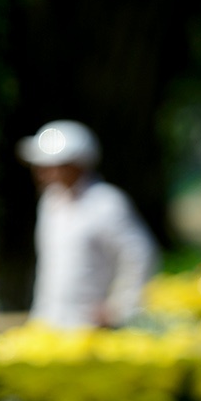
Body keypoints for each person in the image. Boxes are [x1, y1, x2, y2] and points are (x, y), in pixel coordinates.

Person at [18, 119, 157, 328]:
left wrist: (119, 307)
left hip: (91, 328)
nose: (42, 172)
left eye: (51, 166)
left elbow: (139, 256)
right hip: (48, 322)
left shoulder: (106, 202)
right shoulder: (50, 201)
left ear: (77, 164)